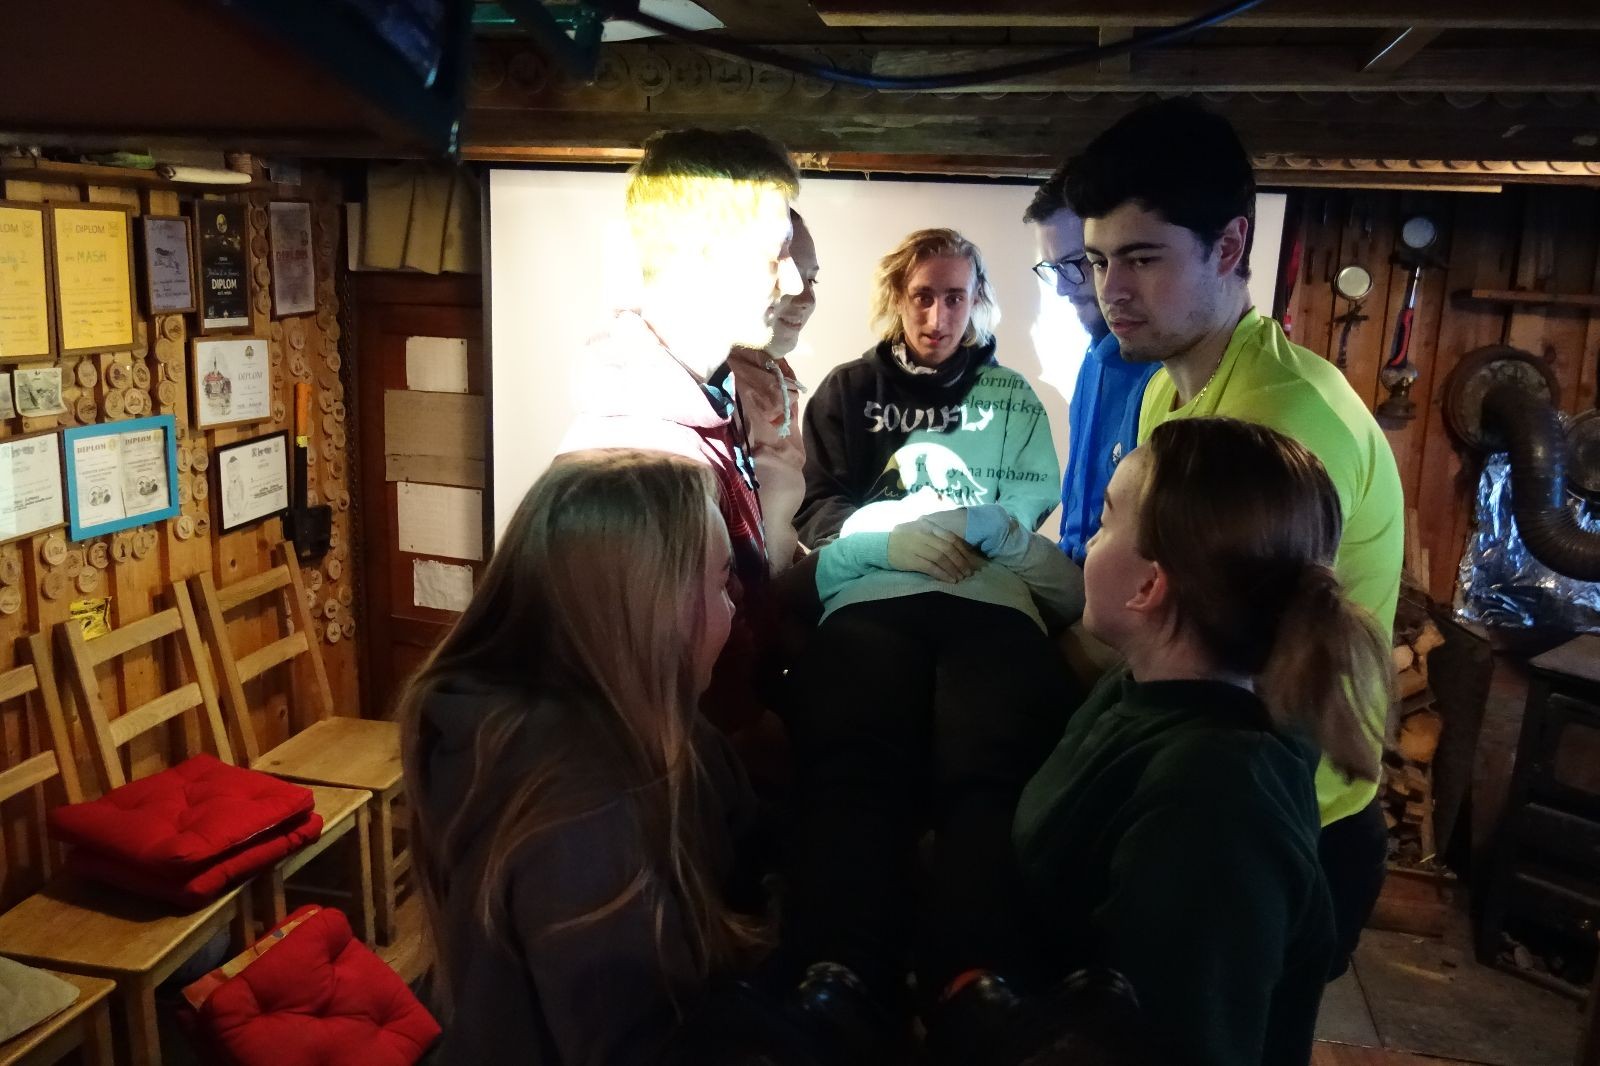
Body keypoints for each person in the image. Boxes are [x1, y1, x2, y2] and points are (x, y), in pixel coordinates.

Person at [1065, 97, 1404, 973]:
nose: (1112, 290)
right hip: (1216, 783)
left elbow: (1211, 655)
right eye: (1098, 260)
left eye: (1143, 258)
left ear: (1227, 247)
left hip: (1280, 813)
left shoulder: (1281, 421)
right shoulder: (1165, 389)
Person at [1008, 418, 1392, 1066]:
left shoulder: (1212, 805)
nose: (1089, 541)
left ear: (1149, 586)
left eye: (1104, 521)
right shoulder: (1139, 688)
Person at [780, 228, 1077, 1058]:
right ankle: (839, 977)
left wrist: (984, 529)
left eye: (955, 297)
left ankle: (976, 984)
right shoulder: (847, 391)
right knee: (852, 772)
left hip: (992, 599)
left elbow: (1027, 510)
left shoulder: (1012, 398)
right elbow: (819, 513)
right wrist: (890, 538)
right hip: (873, 591)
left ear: (977, 302)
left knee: (991, 780)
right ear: (897, 297)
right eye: (922, 296)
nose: (938, 315)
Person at [400, 450, 764, 1065]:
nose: (733, 607)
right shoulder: (579, 819)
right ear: (656, 610)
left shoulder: (648, 729)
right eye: (721, 582)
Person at [558, 127, 803, 733]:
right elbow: (664, 706)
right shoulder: (644, 453)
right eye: (775, 253)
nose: (794, 281)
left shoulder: (710, 396)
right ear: (699, 257)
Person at [1024, 170, 1156, 564]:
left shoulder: (1160, 370)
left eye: (1075, 263)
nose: (1063, 287)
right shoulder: (1093, 358)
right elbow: (1079, 522)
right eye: (1052, 269)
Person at [729, 210, 821, 574]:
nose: (805, 296)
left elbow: (774, 533)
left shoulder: (775, 374)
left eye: (812, 279)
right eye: (785, 274)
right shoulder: (715, 391)